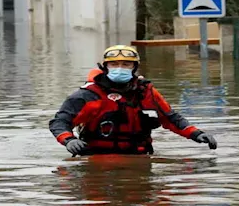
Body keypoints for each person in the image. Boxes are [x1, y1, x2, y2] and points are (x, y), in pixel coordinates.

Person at [49, 45, 218, 156]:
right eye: (114, 64)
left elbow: (170, 118)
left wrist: (197, 134)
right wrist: (69, 140)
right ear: (105, 67)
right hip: (97, 157)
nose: (120, 68)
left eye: (126, 64)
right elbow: (60, 122)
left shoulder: (145, 92)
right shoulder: (87, 95)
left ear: (134, 67)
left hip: (139, 155)